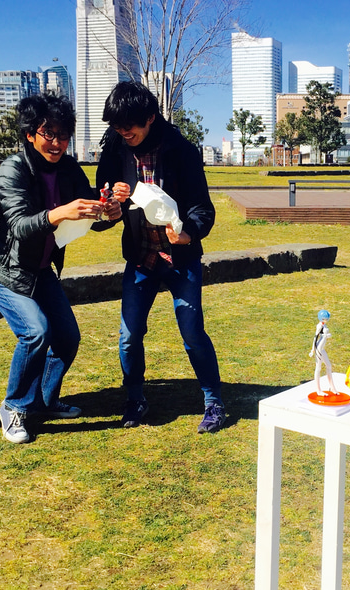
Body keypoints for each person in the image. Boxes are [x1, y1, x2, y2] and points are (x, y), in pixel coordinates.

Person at [0, 94, 121, 444]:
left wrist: (108, 213)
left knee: (67, 337)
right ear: (30, 134)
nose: (56, 142)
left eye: (62, 134)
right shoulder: (14, 169)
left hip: (39, 270)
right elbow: (19, 225)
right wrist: (59, 212)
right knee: (36, 332)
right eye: (47, 133)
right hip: (3, 270)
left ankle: (43, 400)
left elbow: (86, 214)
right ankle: (14, 406)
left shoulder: (68, 168)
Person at [96, 81, 226, 434]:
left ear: (150, 118)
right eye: (117, 126)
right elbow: (101, 208)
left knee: (192, 332)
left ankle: (213, 401)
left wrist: (188, 233)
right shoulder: (114, 150)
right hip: (140, 258)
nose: (124, 132)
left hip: (179, 258)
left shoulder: (180, 150)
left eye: (130, 125)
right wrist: (110, 208)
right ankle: (135, 399)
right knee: (129, 334)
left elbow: (202, 208)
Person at [309, 309, 338, 396]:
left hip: (322, 348)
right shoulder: (319, 326)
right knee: (318, 368)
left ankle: (332, 387)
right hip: (318, 348)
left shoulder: (324, 325)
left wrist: (326, 336)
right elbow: (315, 337)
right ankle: (318, 390)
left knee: (328, 365)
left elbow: (323, 336)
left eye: (326, 319)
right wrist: (312, 350)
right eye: (324, 319)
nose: (325, 320)